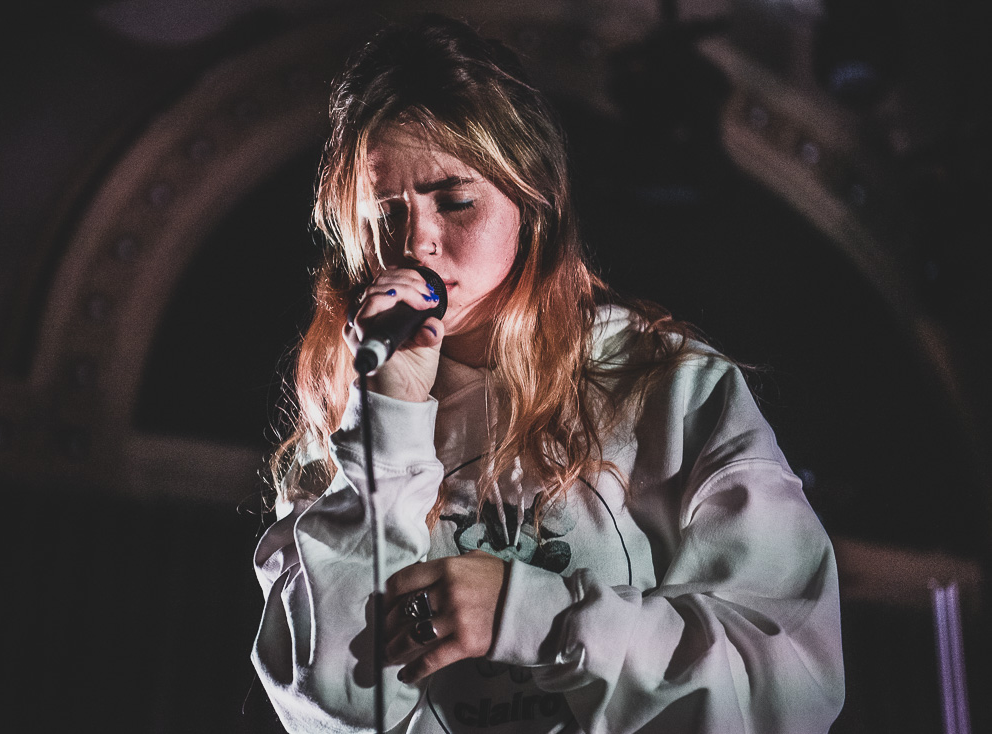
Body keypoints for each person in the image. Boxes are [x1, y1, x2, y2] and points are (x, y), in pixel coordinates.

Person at [251, 14, 844, 734]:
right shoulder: (346, 434)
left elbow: (792, 681)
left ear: (530, 198)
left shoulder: (665, 385)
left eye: (455, 198)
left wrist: (525, 615)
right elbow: (334, 715)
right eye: (384, 213)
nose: (417, 243)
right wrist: (388, 430)